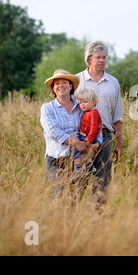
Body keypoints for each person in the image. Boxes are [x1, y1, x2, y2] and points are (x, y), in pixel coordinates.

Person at [40, 69, 103, 197]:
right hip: (57, 159)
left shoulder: (81, 106)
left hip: (81, 159)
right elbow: (52, 131)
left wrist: (95, 144)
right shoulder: (48, 108)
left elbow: (96, 126)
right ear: (53, 88)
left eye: (64, 82)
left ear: (71, 86)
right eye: (56, 83)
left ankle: (73, 217)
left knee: (76, 197)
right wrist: (77, 142)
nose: (60, 86)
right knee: (59, 196)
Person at [75, 40, 124, 205]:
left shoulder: (113, 82)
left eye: (104, 57)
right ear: (89, 59)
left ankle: (98, 221)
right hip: (82, 139)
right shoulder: (77, 81)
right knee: (78, 179)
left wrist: (119, 144)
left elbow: (117, 116)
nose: (102, 60)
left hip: (105, 137)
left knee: (102, 181)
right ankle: (71, 218)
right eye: (98, 57)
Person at [71, 88, 102, 180]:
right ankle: (90, 165)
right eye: (80, 103)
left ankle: (77, 170)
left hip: (88, 136)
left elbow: (94, 126)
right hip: (85, 135)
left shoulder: (93, 113)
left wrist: (89, 138)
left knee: (76, 151)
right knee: (85, 151)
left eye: (85, 102)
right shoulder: (87, 112)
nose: (82, 104)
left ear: (93, 102)